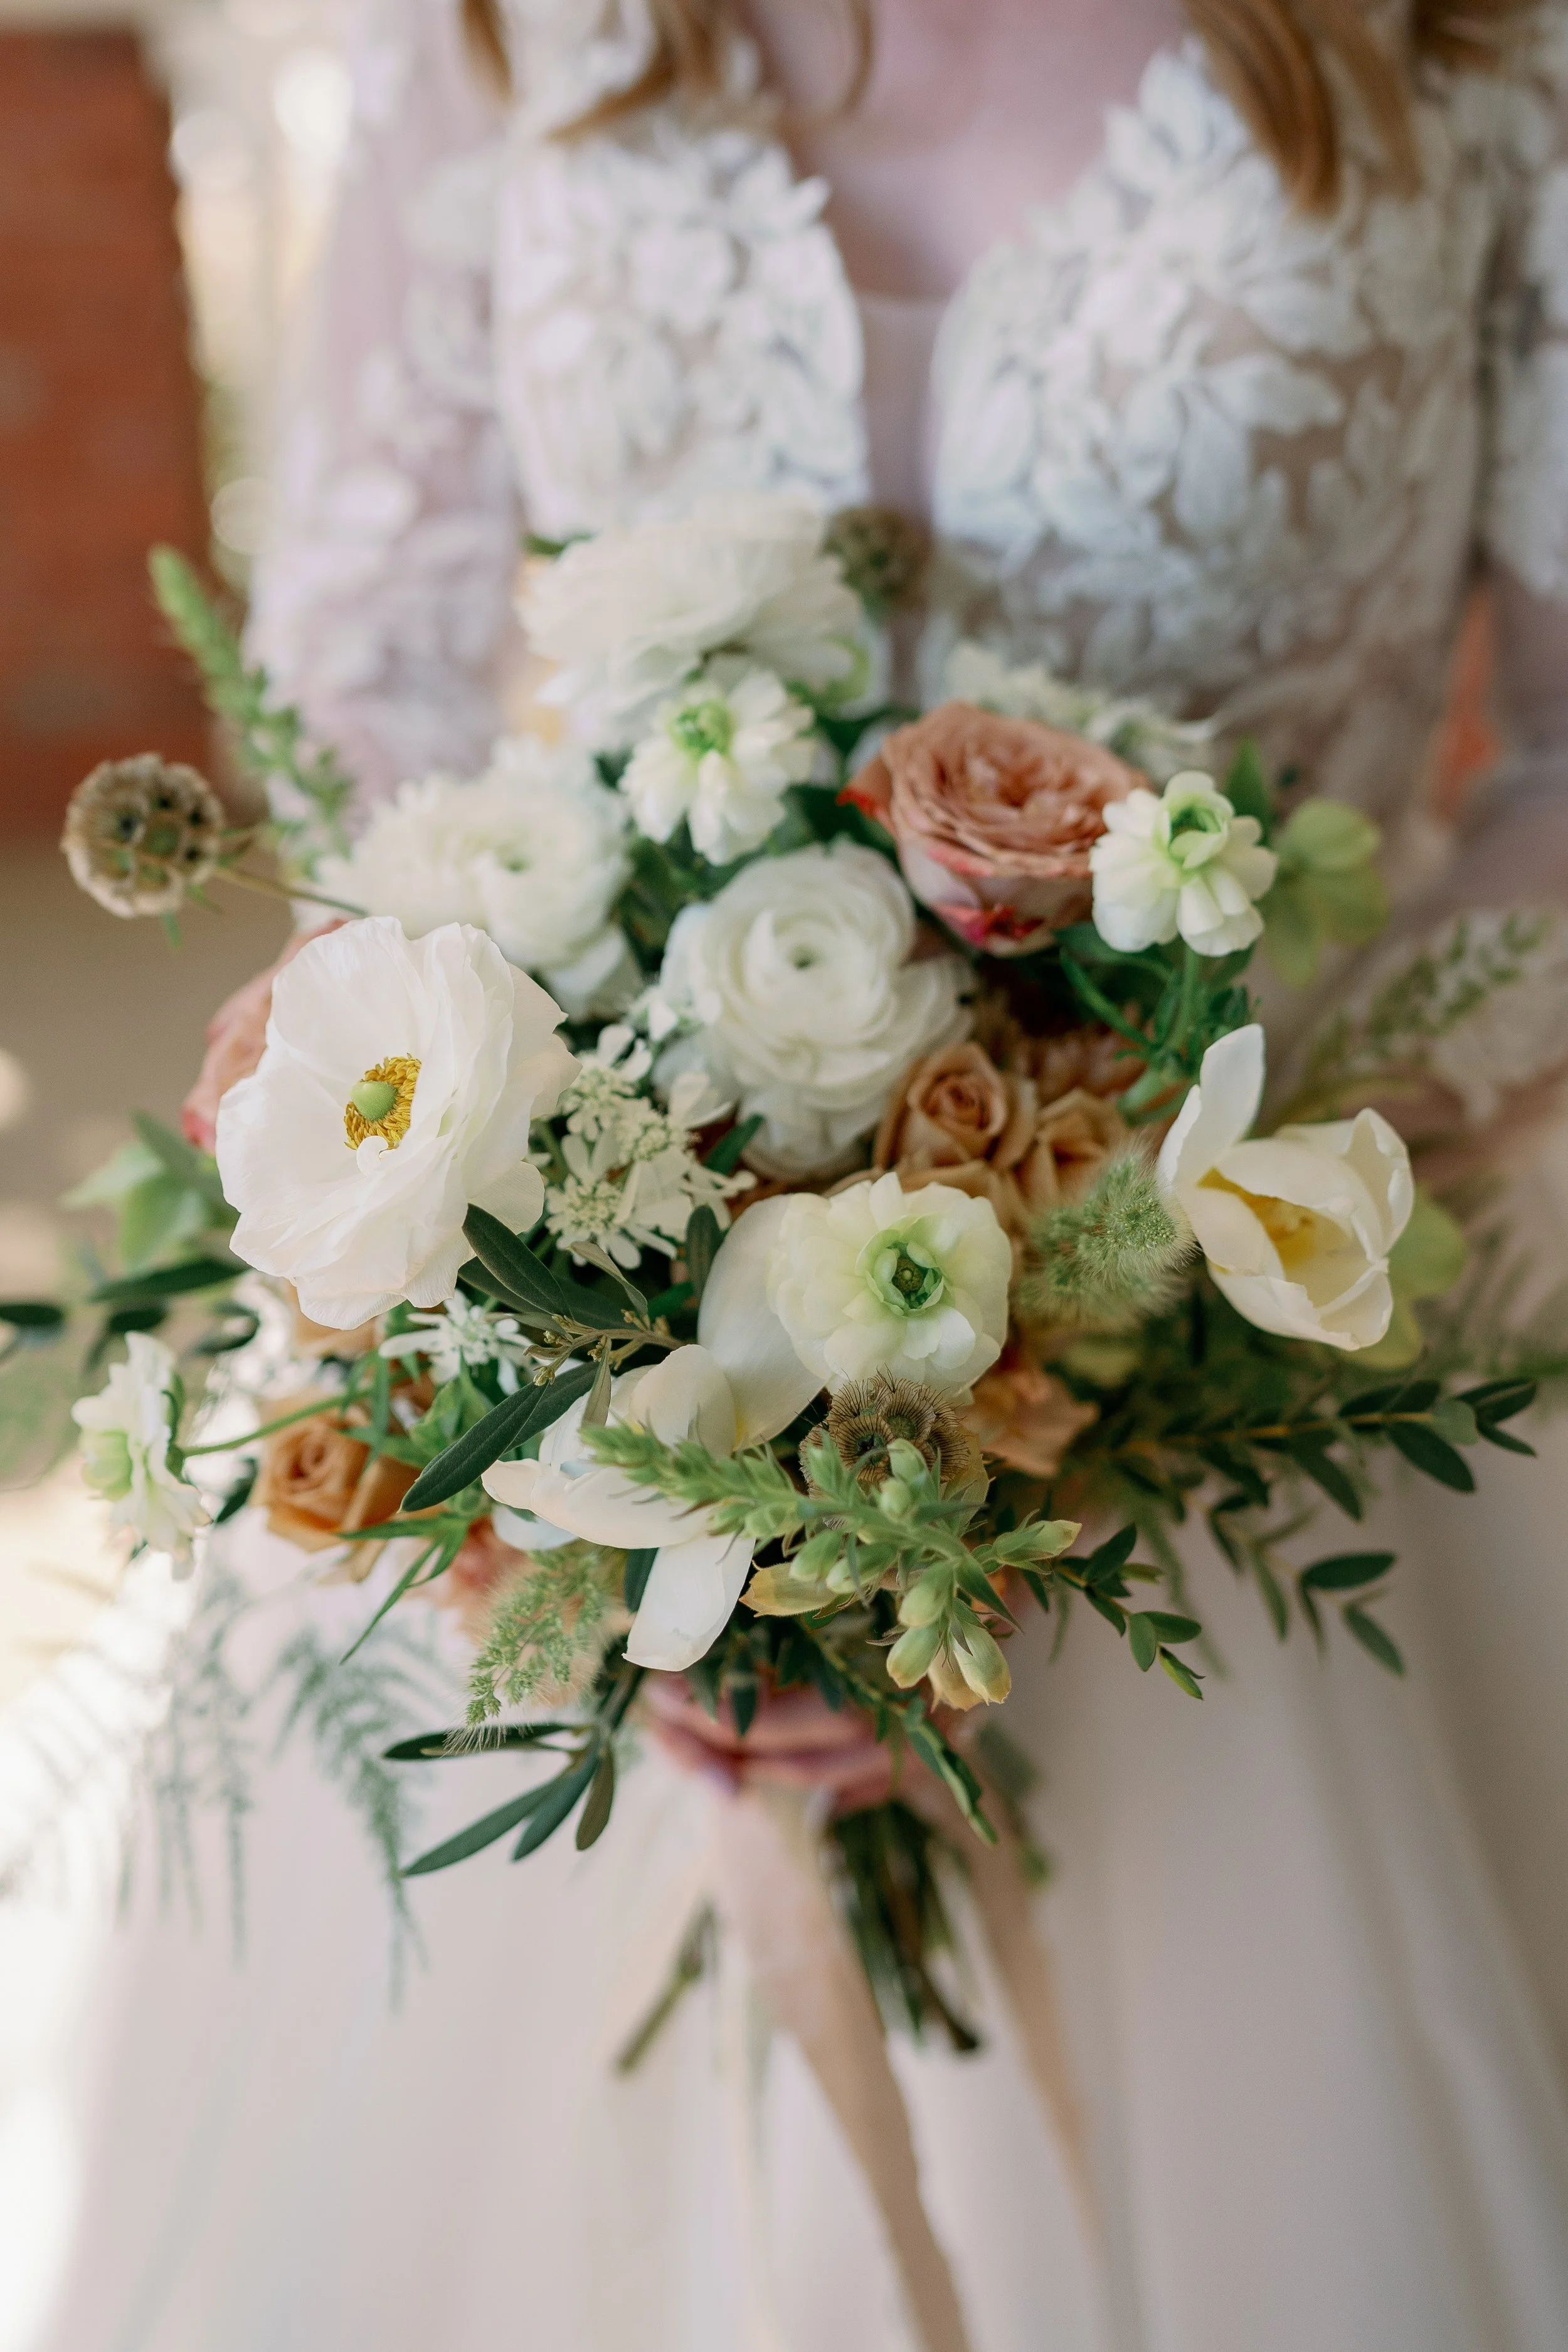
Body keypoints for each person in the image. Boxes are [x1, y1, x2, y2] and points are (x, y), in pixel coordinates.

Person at [36, 3, 1568, 2346]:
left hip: (1281, 1326)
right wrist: (566, 1407)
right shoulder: (503, 29)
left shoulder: (1475, 45)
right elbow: (382, 670)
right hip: (581, 1279)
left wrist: (1147, 1280)